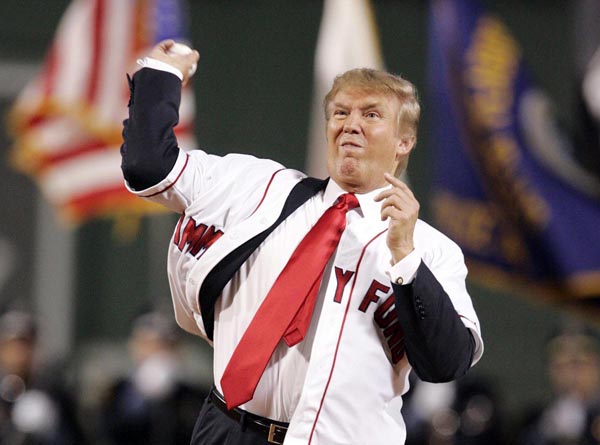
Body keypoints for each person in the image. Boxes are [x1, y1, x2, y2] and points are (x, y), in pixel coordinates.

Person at [120, 39, 483, 445]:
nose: (351, 124)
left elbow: (445, 363)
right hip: (228, 427)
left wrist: (406, 260)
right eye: (341, 112)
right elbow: (149, 168)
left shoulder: (431, 250)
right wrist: (161, 74)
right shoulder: (257, 187)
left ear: (404, 141)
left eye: (371, 114)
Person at [99, 310, 208, 445]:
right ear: (133, 347)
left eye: (166, 346)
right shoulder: (115, 395)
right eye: (149, 345)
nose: (157, 353)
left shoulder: (197, 400)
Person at [0, 310, 85, 444]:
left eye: (24, 346)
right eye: (11, 346)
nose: (18, 354)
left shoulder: (52, 391)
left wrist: (50, 429)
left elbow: (74, 436)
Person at [516, 321, 600, 444]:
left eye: (580, 365)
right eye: (561, 366)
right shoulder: (537, 420)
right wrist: (546, 433)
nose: (571, 375)